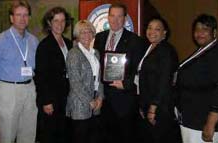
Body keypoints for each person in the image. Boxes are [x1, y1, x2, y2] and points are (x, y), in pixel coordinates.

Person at [0, 1, 38, 143]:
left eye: (25, 15)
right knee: (7, 135)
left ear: (29, 18)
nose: (22, 18)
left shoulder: (33, 41)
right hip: (8, 90)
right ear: (11, 18)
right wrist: (4, 87)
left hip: (30, 88)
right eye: (18, 15)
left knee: (28, 133)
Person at [175, 14, 218, 143]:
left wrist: (210, 124)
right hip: (192, 120)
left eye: (205, 29)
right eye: (197, 29)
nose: (200, 33)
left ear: (214, 32)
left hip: (204, 125)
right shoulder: (204, 51)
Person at [93, 2, 147, 143]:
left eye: (119, 16)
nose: (115, 20)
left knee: (124, 137)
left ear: (124, 18)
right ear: (108, 17)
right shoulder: (99, 38)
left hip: (124, 101)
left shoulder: (136, 41)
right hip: (103, 99)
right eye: (112, 16)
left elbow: (140, 71)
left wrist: (126, 84)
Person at [137, 17, 181, 143]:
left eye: (157, 29)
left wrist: (152, 108)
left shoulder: (166, 50)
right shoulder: (150, 47)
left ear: (164, 33)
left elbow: (164, 81)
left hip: (160, 107)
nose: (152, 31)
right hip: (149, 103)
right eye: (150, 28)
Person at [34, 7, 72, 143]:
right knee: (50, 135)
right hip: (51, 99)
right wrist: (46, 101)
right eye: (56, 20)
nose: (59, 24)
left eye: (62, 20)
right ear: (49, 23)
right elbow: (40, 76)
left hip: (65, 97)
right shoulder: (44, 46)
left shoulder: (68, 43)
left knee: (63, 133)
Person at [66, 20, 104, 143]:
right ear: (77, 35)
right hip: (80, 106)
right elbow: (75, 82)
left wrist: (100, 98)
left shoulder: (96, 53)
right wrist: (90, 101)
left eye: (89, 32)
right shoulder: (73, 54)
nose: (86, 35)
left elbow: (99, 78)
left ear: (93, 34)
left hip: (95, 103)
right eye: (83, 32)